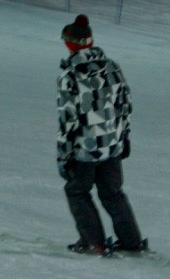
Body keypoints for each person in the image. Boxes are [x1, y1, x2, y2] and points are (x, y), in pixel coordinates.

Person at [57, 14, 145, 255]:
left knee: (77, 191)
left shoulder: (71, 75)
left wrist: (64, 156)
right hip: (112, 146)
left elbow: (68, 120)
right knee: (112, 193)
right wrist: (124, 137)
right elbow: (125, 105)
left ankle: (93, 242)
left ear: (69, 43)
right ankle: (131, 241)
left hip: (85, 149)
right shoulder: (112, 67)